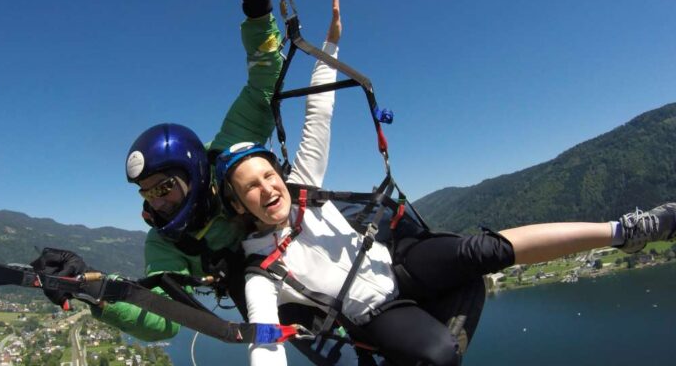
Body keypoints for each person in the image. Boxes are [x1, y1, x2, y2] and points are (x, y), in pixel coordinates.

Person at [214, 62, 676, 364]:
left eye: (269, 176)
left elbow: (319, 115)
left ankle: (628, 229)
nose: (267, 189)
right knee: (440, 355)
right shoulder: (260, 270)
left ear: (281, 174)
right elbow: (266, 341)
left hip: (400, 260)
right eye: (250, 188)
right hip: (377, 313)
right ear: (237, 204)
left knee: (487, 250)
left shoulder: (304, 191)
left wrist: (327, 49)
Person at [32, 0, 343, 343]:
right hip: (266, 287)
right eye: (146, 193)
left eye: (163, 188)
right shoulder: (165, 240)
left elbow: (265, 79)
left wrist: (258, 9)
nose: (155, 203)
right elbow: (162, 316)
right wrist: (95, 289)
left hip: (309, 246)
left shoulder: (228, 151)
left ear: (193, 174)